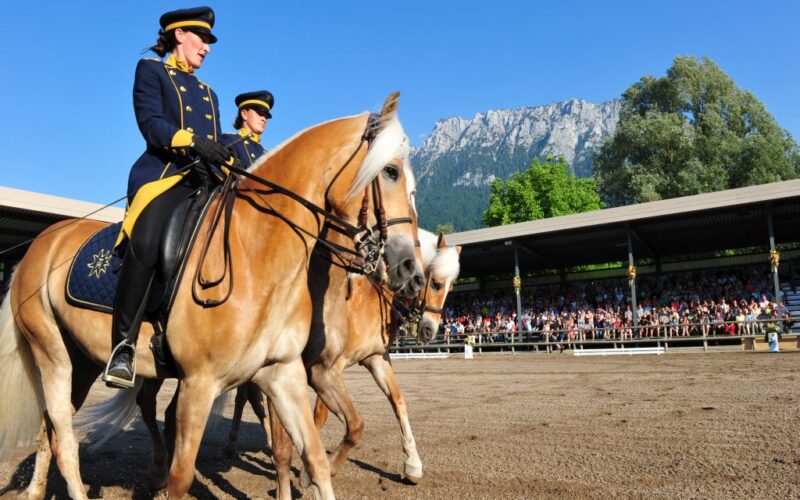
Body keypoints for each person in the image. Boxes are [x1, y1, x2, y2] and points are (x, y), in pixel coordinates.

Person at [104, 6, 232, 389]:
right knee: (147, 240)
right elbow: (151, 124)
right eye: (202, 38)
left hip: (206, 181)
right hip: (164, 176)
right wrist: (193, 142)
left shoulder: (209, 94)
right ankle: (123, 346)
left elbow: (215, 143)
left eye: (209, 41)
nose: (207, 47)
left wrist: (225, 160)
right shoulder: (151, 71)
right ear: (179, 35)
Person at [221, 91, 274, 166]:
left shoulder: (265, 154)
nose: (264, 119)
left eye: (266, 116)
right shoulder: (231, 140)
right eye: (260, 113)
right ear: (244, 114)